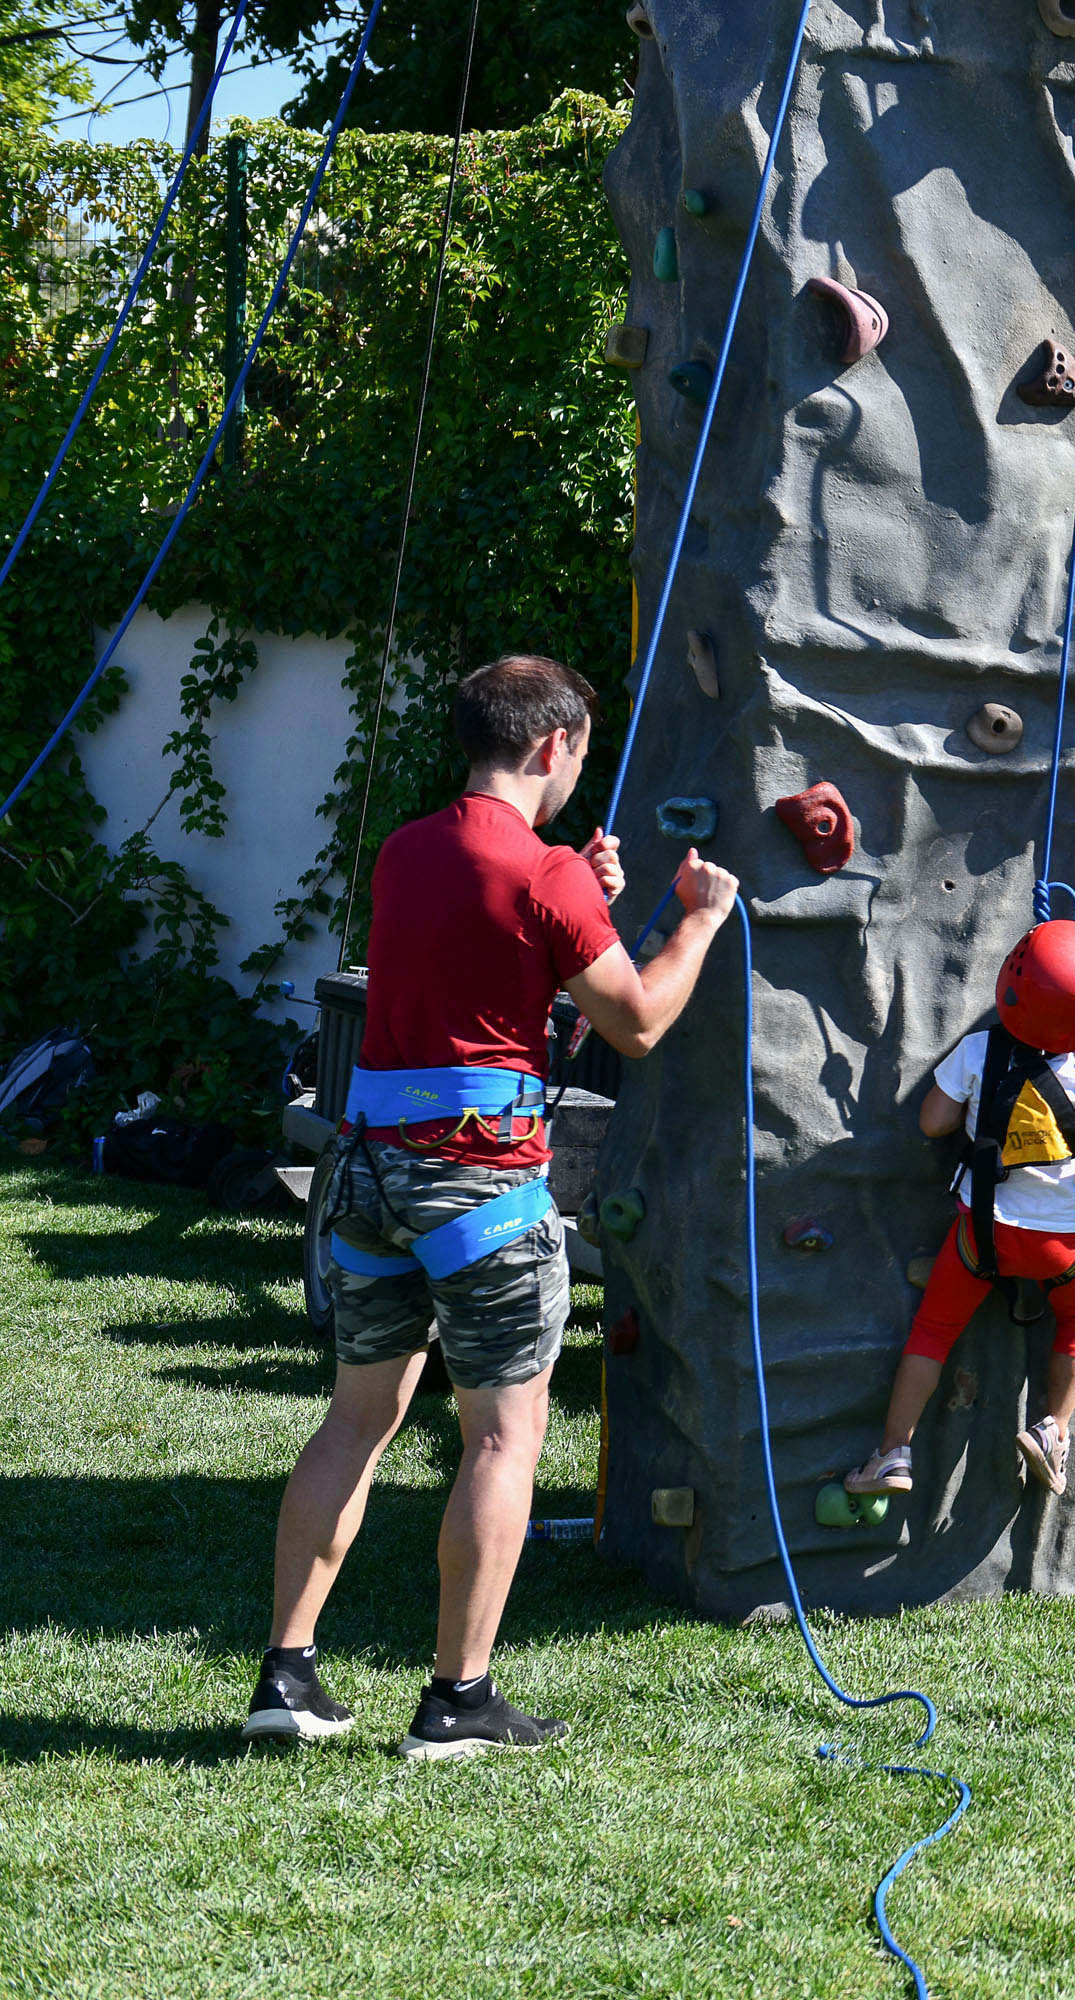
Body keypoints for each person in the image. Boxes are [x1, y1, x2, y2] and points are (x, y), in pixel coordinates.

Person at [247, 657, 739, 1758]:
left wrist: (585, 897)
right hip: (477, 1185)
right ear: (553, 744)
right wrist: (697, 922)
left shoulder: (407, 851)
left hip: (367, 1177)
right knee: (502, 1438)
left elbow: (488, 952)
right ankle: (458, 1698)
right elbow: (639, 1023)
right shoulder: (547, 871)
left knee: (356, 1421)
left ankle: (287, 1674)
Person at [845, 920, 1075, 1503]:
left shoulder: (980, 1051)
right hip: (1066, 1242)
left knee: (935, 1330)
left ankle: (893, 1451)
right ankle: (1053, 1430)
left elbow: (933, 1123)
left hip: (984, 1232)